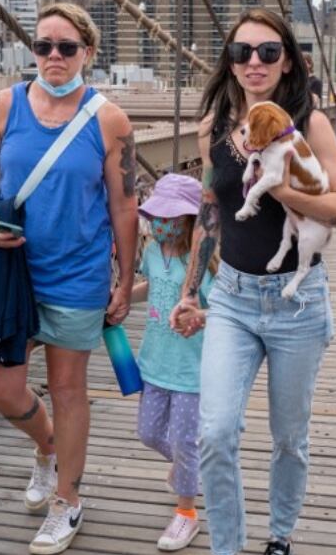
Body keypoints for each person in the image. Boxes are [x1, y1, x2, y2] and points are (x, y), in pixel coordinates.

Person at [170, 8, 336, 555]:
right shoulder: (213, 130)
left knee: (289, 440)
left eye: (268, 51)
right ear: (229, 64)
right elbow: (210, 214)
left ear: (288, 62)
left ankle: (280, 536)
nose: (255, 62)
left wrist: (283, 194)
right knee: (215, 432)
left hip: (297, 305)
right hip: (231, 297)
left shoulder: (312, 125)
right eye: (242, 52)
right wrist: (189, 292)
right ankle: (227, 547)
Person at [0, 3, 138, 554]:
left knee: (67, 389)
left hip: (76, 274)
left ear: (88, 52)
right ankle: (48, 446)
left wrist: (125, 281)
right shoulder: (4, 104)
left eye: (66, 47)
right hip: (11, 271)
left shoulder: (109, 120)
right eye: (43, 46)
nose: (53, 57)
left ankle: (68, 500)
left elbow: (125, 205)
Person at [131, 173, 214, 552]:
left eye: (171, 218)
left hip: (190, 369)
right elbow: (151, 285)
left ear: (189, 220)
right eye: (157, 218)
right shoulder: (151, 252)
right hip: (153, 361)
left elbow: (216, 307)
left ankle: (186, 513)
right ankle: (188, 466)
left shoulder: (203, 264)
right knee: (148, 432)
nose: (160, 225)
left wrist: (199, 318)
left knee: (184, 439)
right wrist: (122, 297)